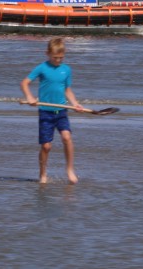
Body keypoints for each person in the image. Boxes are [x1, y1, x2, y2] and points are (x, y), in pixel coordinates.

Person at [20, 37, 84, 184]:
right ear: (47, 53)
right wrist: (30, 97)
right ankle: (42, 173)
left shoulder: (66, 69)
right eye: (55, 58)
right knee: (46, 146)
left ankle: (70, 170)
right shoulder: (42, 68)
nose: (58, 61)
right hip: (45, 112)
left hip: (61, 111)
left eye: (61, 58)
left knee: (67, 137)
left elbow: (67, 90)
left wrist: (75, 104)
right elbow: (24, 83)